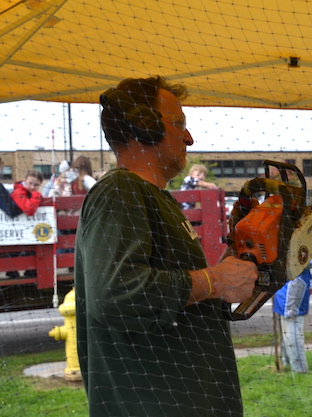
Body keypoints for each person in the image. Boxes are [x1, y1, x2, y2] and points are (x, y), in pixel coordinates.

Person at [75, 76, 258, 417]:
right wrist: (214, 281)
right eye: (178, 124)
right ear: (143, 127)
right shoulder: (120, 192)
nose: (188, 137)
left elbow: (182, 295)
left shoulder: (155, 199)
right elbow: (115, 294)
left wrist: (234, 265)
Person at [272, 267, 312, 373]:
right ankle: (287, 363)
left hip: (294, 280)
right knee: (286, 328)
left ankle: (299, 369)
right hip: (285, 281)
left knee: (292, 323)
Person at [6, 169, 44, 278]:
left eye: (36, 185)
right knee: (15, 250)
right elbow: (29, 209)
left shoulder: (28, 193)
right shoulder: (19, 192)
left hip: (26, 227)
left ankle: (30, 269)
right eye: (30, 183)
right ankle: (12, 270)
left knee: (29, 247)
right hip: (14, 227)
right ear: (25, 181)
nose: (32, 187)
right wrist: (36, 195)